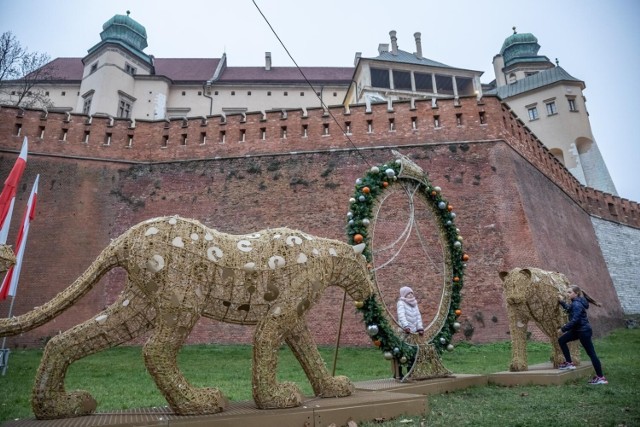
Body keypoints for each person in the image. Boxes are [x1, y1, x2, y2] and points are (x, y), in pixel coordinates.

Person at [557, 284, 607, 385]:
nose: (567, 294)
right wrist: (561, 302)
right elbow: (569, 309)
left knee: (591, 354)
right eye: (567, 292)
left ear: (576, 293)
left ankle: (601, 378)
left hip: (583, 331)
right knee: (561, 340)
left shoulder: (577, 304)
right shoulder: (576, 302)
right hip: (578, 330)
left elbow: (575, 320)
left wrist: (563, 329)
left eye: (569, 292)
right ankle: (569, 363)